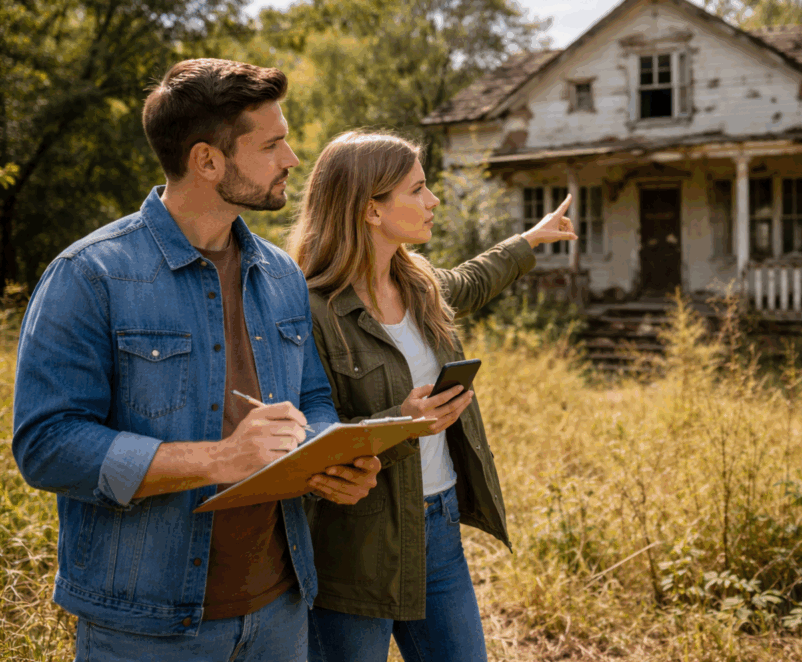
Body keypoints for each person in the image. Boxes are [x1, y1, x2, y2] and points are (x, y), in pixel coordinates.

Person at [11, 59, 380, 662]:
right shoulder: (89, 275)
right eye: (272, 143)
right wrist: (222, 459)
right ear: (208, 161)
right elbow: (48, 445)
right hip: (145, 627)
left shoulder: (281, 273)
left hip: (281, 612)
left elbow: (312, 398)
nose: (292, 158)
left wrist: (326, 457)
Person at [288, 131, 577, 662]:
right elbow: (309, 434)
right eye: (417, 190)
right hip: (355, 546)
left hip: (437, 526)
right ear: (371, 210)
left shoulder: (419, 282)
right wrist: (402, 420)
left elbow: (470, 279)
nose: (433, 200)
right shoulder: (309, 310)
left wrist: (530, 241)